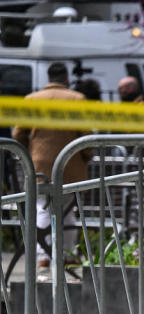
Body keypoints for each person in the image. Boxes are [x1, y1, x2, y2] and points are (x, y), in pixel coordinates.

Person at [12, 62, 92, 269]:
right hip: (70, 164)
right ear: (66, 79)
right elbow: (85, 135)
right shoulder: (77, 99)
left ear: (48, 79)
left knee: (42, 208)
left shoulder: (32, 100)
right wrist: (87, 155)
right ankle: (66, 255)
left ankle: (43, 256)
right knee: (67, 211)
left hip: (39, 164)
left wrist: (25, 153)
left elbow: (18, 133)